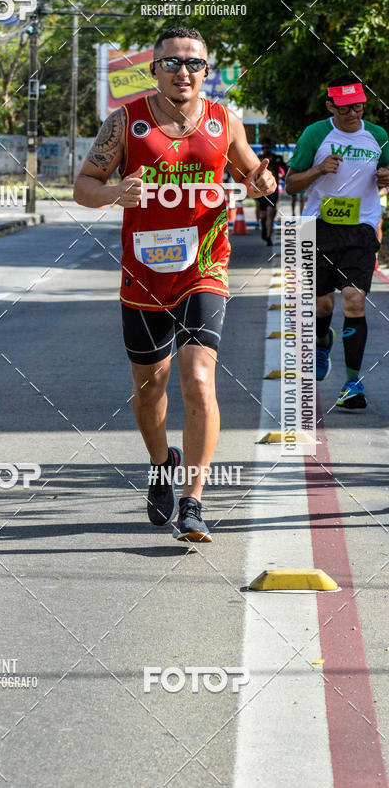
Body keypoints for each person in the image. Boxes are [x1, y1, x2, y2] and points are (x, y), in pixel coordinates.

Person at [74, 26, 276, 541]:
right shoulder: (125, 122)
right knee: (149, 389)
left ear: (206, 71)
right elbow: (83, 187)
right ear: (155, 70)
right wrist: (116, 191)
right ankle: (162, 462)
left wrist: (263, 182)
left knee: (199, 378)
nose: (183, 72)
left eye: (194, 64)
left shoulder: (224, 121)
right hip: (143, 274)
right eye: (172, 63)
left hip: (203, 267)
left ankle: (193, 502)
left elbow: (253, 174)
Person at [285, 74, 389, 410]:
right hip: (319, 228)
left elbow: (385, 177)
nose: (353, 112)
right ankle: (321, 340)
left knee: (354, 301)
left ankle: (352, 383)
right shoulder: (316, 134)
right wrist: (318, 171)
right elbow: (290, 185)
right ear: (331, 105)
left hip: (361, 229)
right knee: (323, 306)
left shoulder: (379, 136)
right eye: (345, 107)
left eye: (358, 105)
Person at [257, 137, 285, 245]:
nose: (265, 149)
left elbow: (286, 169)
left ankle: (268, 237)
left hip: (273, 191)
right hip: (261, 191)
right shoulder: (259, 159)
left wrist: (284, 177)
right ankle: (264, 231)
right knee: (263, 216)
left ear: (270, 147)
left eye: (267, 147)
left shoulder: (276, 159)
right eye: (263, 148)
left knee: (270, 212)